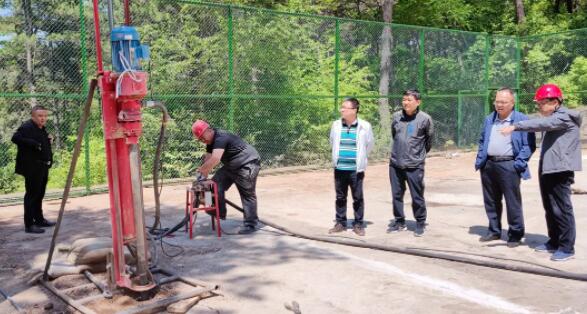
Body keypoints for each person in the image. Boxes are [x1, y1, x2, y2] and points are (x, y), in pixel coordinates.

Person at [501, 84, 582, 261]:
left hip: (560, 170)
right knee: (550, 208)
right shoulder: (554, 116)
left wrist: (516, 126)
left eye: (541, 103)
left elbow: (543, 123)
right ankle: (554, 241)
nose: (539, 107)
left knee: (561, 209)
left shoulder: (564, 117)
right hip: (548, 168)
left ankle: (567, 247)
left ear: (555, 101)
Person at [474, 87, 536, 247]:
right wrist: (481, 158)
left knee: (512, 201)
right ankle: (494, 230)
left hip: (509, 165)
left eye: (503, 102)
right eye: (497, 101)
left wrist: (519, 163)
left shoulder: (521, 120)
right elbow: (482, 140)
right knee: (491, 200)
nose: (499, 105)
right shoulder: (489, 119)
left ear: (512, 102)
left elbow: (529, 145)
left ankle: (515, 234)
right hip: (488, 164)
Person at [192, 119, 261, 234]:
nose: (202, 140)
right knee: (213, 185)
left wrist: (201, 170)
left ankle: (251, 224)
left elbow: (215, 159)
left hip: (247, 163)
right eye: (200, 139)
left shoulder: (220, 137)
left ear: (209, 130)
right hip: (232, 165)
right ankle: (216, 211)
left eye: (202, 137)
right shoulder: (210, 142)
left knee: (247, 194)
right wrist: (202, 178)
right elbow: (208, 159)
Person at [388, 89, 433, 237]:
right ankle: (399, 221)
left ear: (418, 102)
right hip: (395, 163)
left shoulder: (424, 119)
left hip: (415, 165)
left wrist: (417, 155)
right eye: (404, 100)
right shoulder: (396, 117)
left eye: (409, 100)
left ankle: (420, 222)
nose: (405, 102)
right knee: (396, 194)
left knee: (417, 195)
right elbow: (395, 135)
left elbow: (429, 141)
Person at [328, 98, 374, 236]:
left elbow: (369, 145)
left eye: (345, 108)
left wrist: (360, 159)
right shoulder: (336, 125)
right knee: (340, 197)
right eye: (342, 107)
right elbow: (332, 142)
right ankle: (340, 223)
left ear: (354, 110)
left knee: (358, 197)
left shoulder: (365, 126)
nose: (342, 110)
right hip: (340, 168)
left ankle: (358, 224)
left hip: (356, 169)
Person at [11, 105, 56, 234]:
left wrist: (50, 140)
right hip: (32, 167)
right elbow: (15, 138)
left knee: (39, 194)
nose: (43, 118)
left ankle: (39, 220)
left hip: (42, 166)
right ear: (33, 117)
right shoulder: (27, 126)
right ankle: (29, 224)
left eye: (45, 116)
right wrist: (33, 143)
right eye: (40, 116)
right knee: (31, 195)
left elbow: (42, 143)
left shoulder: (41, 129)